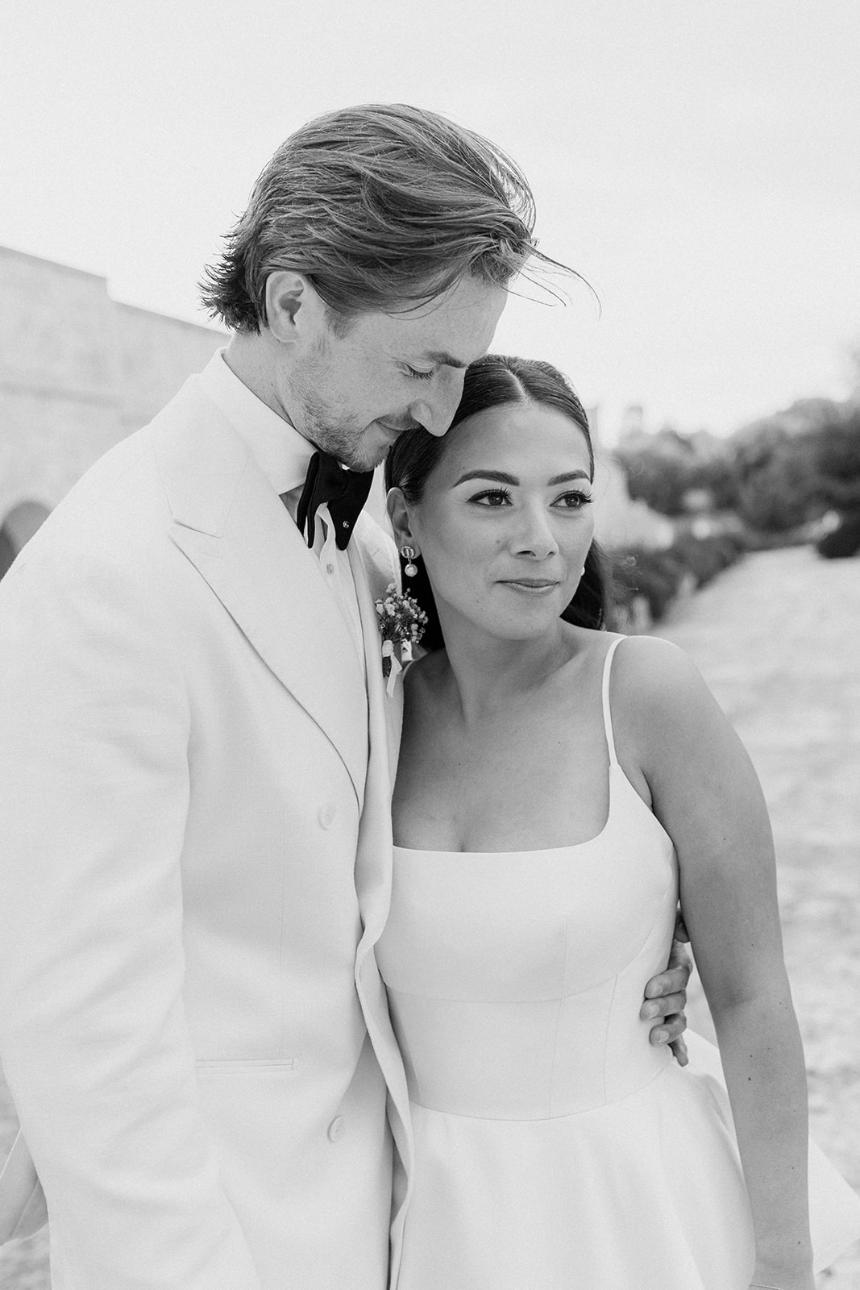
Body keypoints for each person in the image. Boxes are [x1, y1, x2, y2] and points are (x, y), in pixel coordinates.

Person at [0, 106, 691, 1289]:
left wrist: (615, 936)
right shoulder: (104, 579)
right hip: (230, 1241)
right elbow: (85, 1033)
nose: (439, 414)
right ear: (291, 305)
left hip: (405, 1218)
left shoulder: (365, 544)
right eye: (421, 366)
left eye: (459, 369)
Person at [380, 354, 860, 1290]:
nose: (541, 540)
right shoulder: (370, 718)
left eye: (569, 499)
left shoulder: (645, 694)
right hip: (436, 1223)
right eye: (491, 499)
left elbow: (753, 998)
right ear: (406, 519)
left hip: (638, 1211)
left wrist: (783, 1261)